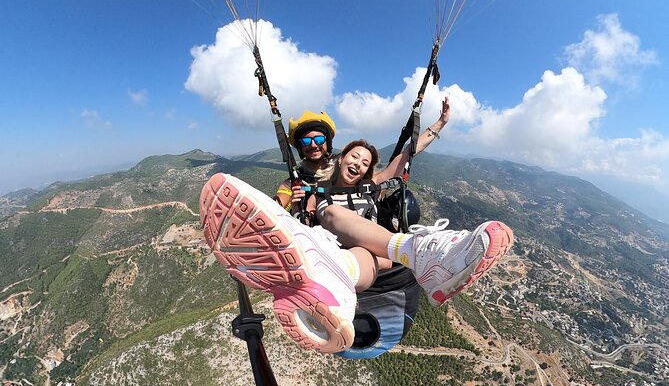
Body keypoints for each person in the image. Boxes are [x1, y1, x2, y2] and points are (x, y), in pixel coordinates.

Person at [200, 98, 514, 354]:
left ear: (329, 144)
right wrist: (294, 202)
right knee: (332, 214)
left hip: (372, 258)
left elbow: (405, 155)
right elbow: (274, 205)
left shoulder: (369, 185)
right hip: (332, 245)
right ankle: (349, 274)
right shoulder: (298, 185)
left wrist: (438, 124)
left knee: (359, 242)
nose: (313, 144)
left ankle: (404, 258)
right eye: (306, 139)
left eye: (318, 138)